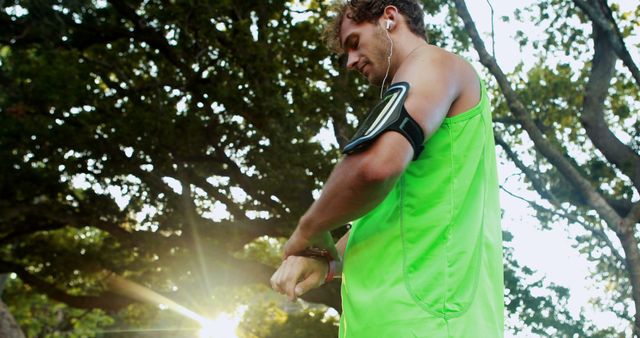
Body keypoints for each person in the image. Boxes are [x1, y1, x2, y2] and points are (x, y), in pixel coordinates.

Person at [270, 0, 504, 337]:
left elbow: (374, 168)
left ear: (389, 17)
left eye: (354, 43)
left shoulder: (434, 62)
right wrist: (325, 260)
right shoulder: (417, 122)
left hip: (427, 326)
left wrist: (308, 229)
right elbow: (389, 215)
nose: (350, 62)